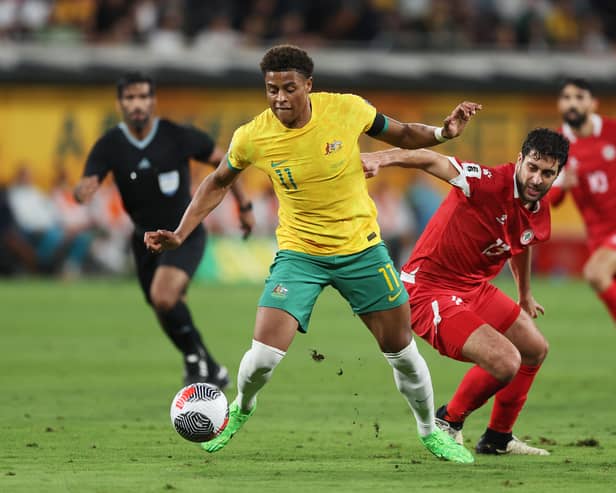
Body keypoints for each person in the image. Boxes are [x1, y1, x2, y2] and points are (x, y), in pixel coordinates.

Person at [145, 44, 481, 463]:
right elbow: (217, 181)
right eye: (271, 89)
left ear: (309, 84)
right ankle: (241, 408)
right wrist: (180, 233)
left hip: (361, 249)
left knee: (403, 353)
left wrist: (443, 134)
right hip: (299, 254)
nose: (280, 98)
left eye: (289, 88)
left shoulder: (347, 109)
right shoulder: (253, 136)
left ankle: (431, 431)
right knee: (263, 358)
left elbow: (403, 134)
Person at [361, 128, 569, 456]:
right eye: (532, 167)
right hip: (428, 290)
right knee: (505, 361)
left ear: (557, 175)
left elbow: (521, 243)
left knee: (534, 348)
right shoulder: (485, 182)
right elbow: (430, 159)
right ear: (520, 161)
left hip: (471, 287)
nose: (536, 178)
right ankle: (447, 421)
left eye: (547, 173)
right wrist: (381, 158)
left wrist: (525, 293)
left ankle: (497, 438)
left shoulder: (538, 212)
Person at [74, 72, 255, 388]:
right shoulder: (110, 145)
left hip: (183, 233)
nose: (137, 104)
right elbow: (86, 182)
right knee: (165, 308)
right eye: (130, 98)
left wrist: (244, 205)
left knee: (164, 296)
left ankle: (195, 364)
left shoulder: (175, 135)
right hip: (144, 238)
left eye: (143, 96)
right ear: (120, 104)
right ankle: (212, 367)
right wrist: (82, 191)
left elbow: (226, 162)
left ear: (153, 101)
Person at [549, 77, 616, 324]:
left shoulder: (612, 132)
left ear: (593, 104)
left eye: (579, 98)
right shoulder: (558, 146)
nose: (572, 104)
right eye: (566, 98)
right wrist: (563, 186)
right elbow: (553, 200)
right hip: (597, 237)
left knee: (595, 273)